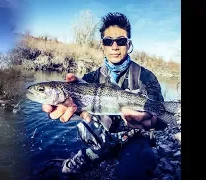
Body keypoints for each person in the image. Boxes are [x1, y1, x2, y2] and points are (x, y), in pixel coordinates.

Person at [42, 12, 168, 180]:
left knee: (135, 169)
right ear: (102, 45)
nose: (114, 46)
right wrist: (71, 102)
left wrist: (152, 120)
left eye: (121, 41)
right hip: (103, 138)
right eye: (108, 41)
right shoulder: (89, 80)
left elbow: (162, 118)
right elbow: (74, 108)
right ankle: (96, 154)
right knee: (68, 169)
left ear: (128, 44)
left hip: (135, 138)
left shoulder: (146, 77)